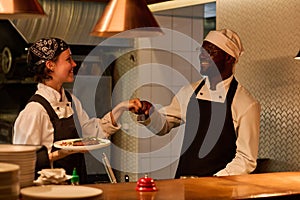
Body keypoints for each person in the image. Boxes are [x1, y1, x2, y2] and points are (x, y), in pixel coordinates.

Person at [132, 29, 261, 178]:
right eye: (202, 51)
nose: (202, 56)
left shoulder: (246, 104)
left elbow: (246, 159)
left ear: (229, 58)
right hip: (185, 183)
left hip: (221, 189)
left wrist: (214, 182)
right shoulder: (189, 92)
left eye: (211, 52)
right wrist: (149, 113)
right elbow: (164, 125)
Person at [13, 37, 141, 184]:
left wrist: (122, 107)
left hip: (77, 185)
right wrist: (61, 153)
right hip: (49, 191)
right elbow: (23, 163)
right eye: (68, 59)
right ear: (50, 65)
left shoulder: (71, 100)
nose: (74, 64)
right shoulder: (34, 111)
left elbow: (91, 133)